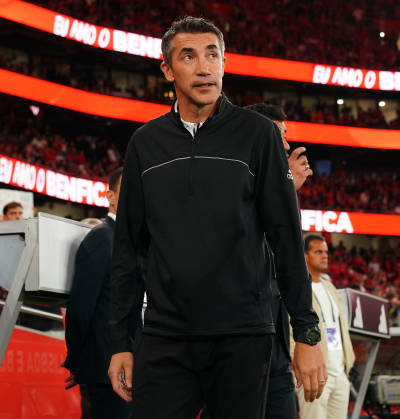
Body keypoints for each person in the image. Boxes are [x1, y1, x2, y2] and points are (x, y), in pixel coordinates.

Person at [107, 17, 326, 419]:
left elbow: (285, 237)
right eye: (189, 57)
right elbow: (128, 249)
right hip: (166, 337)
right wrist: (120, 341)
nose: (204, 67)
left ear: (224, 64)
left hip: (243, 337)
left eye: (212, 55)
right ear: (168, 70)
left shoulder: (258, 134)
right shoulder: (145, 143)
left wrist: (306, 333)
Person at [244, 103, 313, 419]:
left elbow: (287, 257)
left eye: (285, 136)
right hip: (241, 345)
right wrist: (285, 188)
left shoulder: (277, 191)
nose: (286, 145)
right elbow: (265, 249)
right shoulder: (231, 188)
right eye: (278, 135)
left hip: (277, 347)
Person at [64, 167, 141, 419]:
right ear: (110, 196)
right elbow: (80, 309)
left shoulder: (135, 241)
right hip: (107, 372)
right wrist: (76, 361)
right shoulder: (101, 239)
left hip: (135, 369)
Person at [294, 235, 355, 419]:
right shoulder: (297, 288)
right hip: (314, 371)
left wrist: (347, 362)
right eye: (318, 251)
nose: (324, 256)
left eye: (326, 252)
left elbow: (338, 326)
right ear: (305, 255)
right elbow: (290, 326)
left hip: (339, 372)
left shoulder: (330, 288)